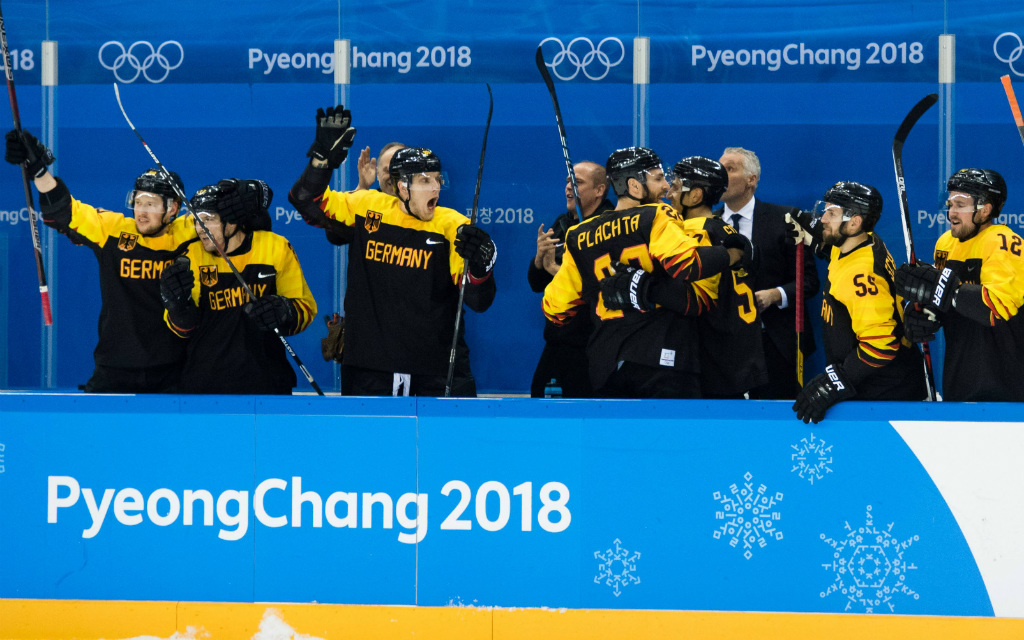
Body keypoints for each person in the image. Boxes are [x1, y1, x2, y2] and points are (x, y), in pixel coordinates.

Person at [288, 105, 497, 396]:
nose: (435, 188)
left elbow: (478, 300)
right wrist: (321, 161)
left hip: (434, 370)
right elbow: (305, 200)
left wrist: (481, 269)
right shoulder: (366, 206)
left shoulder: (453, 225)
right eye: (425, 181)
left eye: (437, 179)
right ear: (402, 186)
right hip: (368, 368)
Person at [542, 147, 749, 398]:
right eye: (658, 178)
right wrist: (733, 254)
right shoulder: (658, 215)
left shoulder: (578, 234)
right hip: (662, 359)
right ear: (634, 186)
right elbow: (688, 264)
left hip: (603, 365)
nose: (665, 187)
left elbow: (555, 309)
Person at [4, 129, 195, 392]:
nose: (141, 212)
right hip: (114, 370)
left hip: (174, 371)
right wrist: (38, 169)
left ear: (172, 208)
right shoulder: (114, 230)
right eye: (138, 202)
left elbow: (225, 225)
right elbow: (64, 212)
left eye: (150, 204)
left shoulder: (191, 234)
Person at [159, 181, 317, 394]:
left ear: (232, 222)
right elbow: (181, 330)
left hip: (268, 383)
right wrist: (178, 308)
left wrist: (284, 310)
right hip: (204, 385)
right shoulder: (191, 256)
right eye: (197, 220)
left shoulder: (275, 247)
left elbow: (305, 309)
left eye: (208, 219)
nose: (200, 229)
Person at [788, 182, 927, 423]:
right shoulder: (860, 242)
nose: (822, 219)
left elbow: (881, 345)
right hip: (881, 387)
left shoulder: (860, 275)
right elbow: (830, 249)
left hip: (886, 394)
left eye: (831, 213)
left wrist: (836, 380)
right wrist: (811, 234)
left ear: (854, 223)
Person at [894, 168, 1024, 401]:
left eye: (960, 204)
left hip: (1005, 384)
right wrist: (926, 313)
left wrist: (942, 288)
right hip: (959, 379)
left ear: (985, 210)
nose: (951, 212)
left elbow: (997, 308)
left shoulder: (1004, 242)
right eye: (950, 203)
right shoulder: (946, 243)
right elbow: (947, 301)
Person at [718, 146, 819, 399]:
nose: (720, 176)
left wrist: (774, 295)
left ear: (752, 179)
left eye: (729, 169)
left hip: (775, 344)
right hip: (722, 344)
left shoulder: (787, 218)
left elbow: (809, 281)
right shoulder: (708, 223)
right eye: (719, 169)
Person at [670, 156, 768, 398]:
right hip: (741, 353)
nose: (668, 194)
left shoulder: (693, 232)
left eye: (675, 186)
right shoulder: (725, 229)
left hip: (715, 357)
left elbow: (690, 299)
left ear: (695, 196)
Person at [527, 161, 614, 397]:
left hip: (594, 345)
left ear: (599, 190)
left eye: (577, 182)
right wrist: (539, 260)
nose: (568, 187)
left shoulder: (611, 226)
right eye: (567, 181)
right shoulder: (563, 223)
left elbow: (604, 287)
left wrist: (555, 269)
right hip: (558, 341)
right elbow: (536, 284)